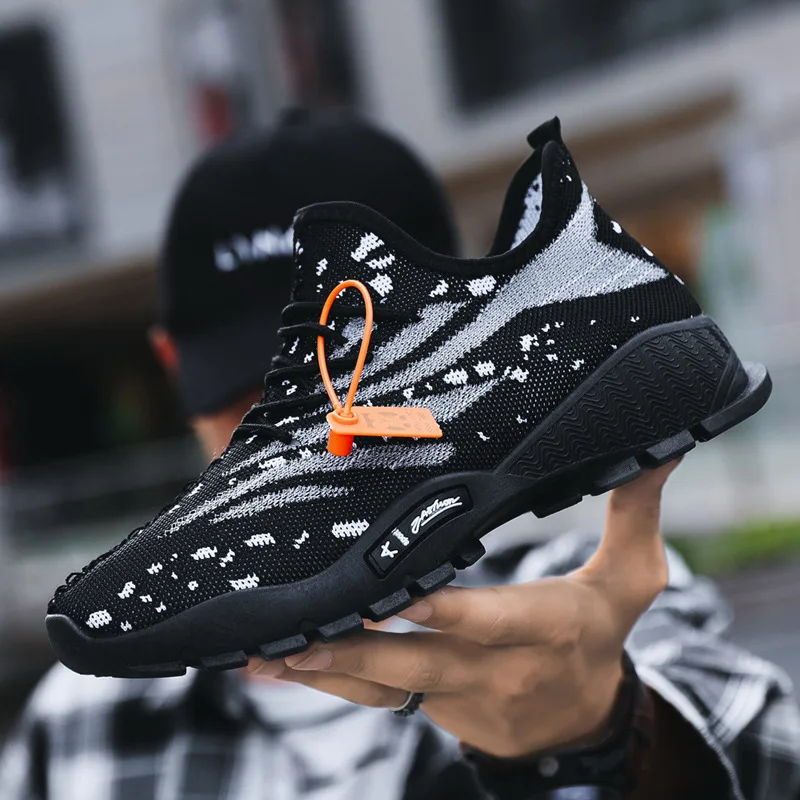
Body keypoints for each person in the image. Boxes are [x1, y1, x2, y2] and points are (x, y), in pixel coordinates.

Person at [1, 110, 799, 800]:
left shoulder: (580, 603)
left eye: (343, 372)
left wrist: (611, 729)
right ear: (171, 366)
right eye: (268, 386)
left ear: (477, 335)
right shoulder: (72, 726)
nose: (288, 435)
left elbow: (768, 751)